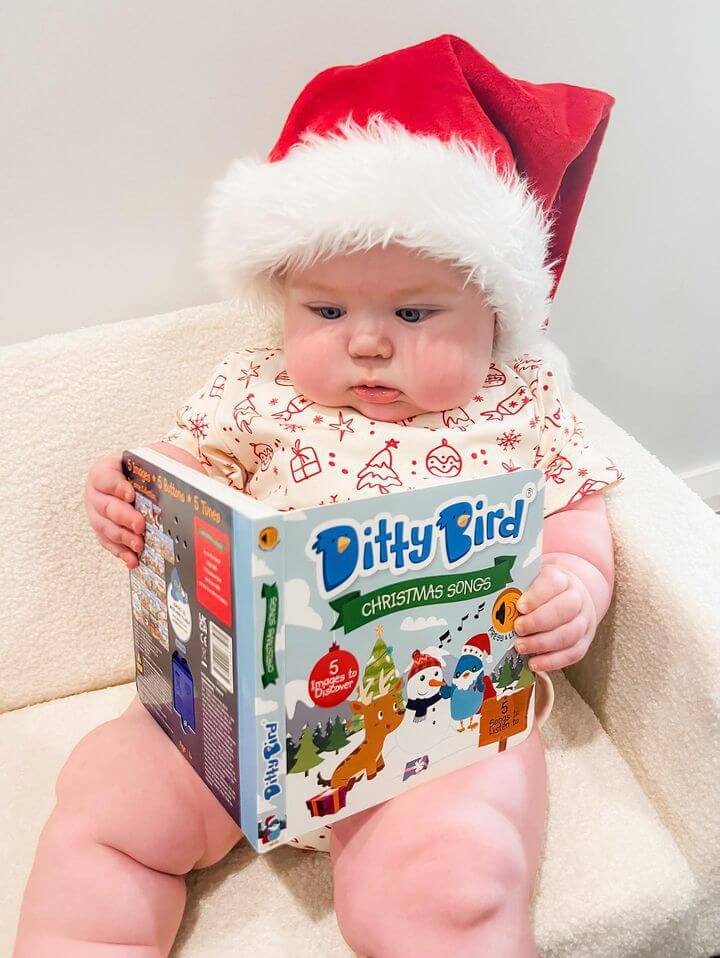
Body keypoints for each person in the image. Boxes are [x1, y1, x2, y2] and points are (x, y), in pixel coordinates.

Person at [14, 33, 624, 958]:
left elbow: (577, 520)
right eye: (327, 312)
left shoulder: (525, 400)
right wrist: (129, 495)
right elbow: (180, 474)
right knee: (104, 800)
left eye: (414, 314)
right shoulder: (255, 389)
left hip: (432, 718)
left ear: (496, 312)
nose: (367, 343)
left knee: (450, 881)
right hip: (237, 707)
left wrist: (573, 591)